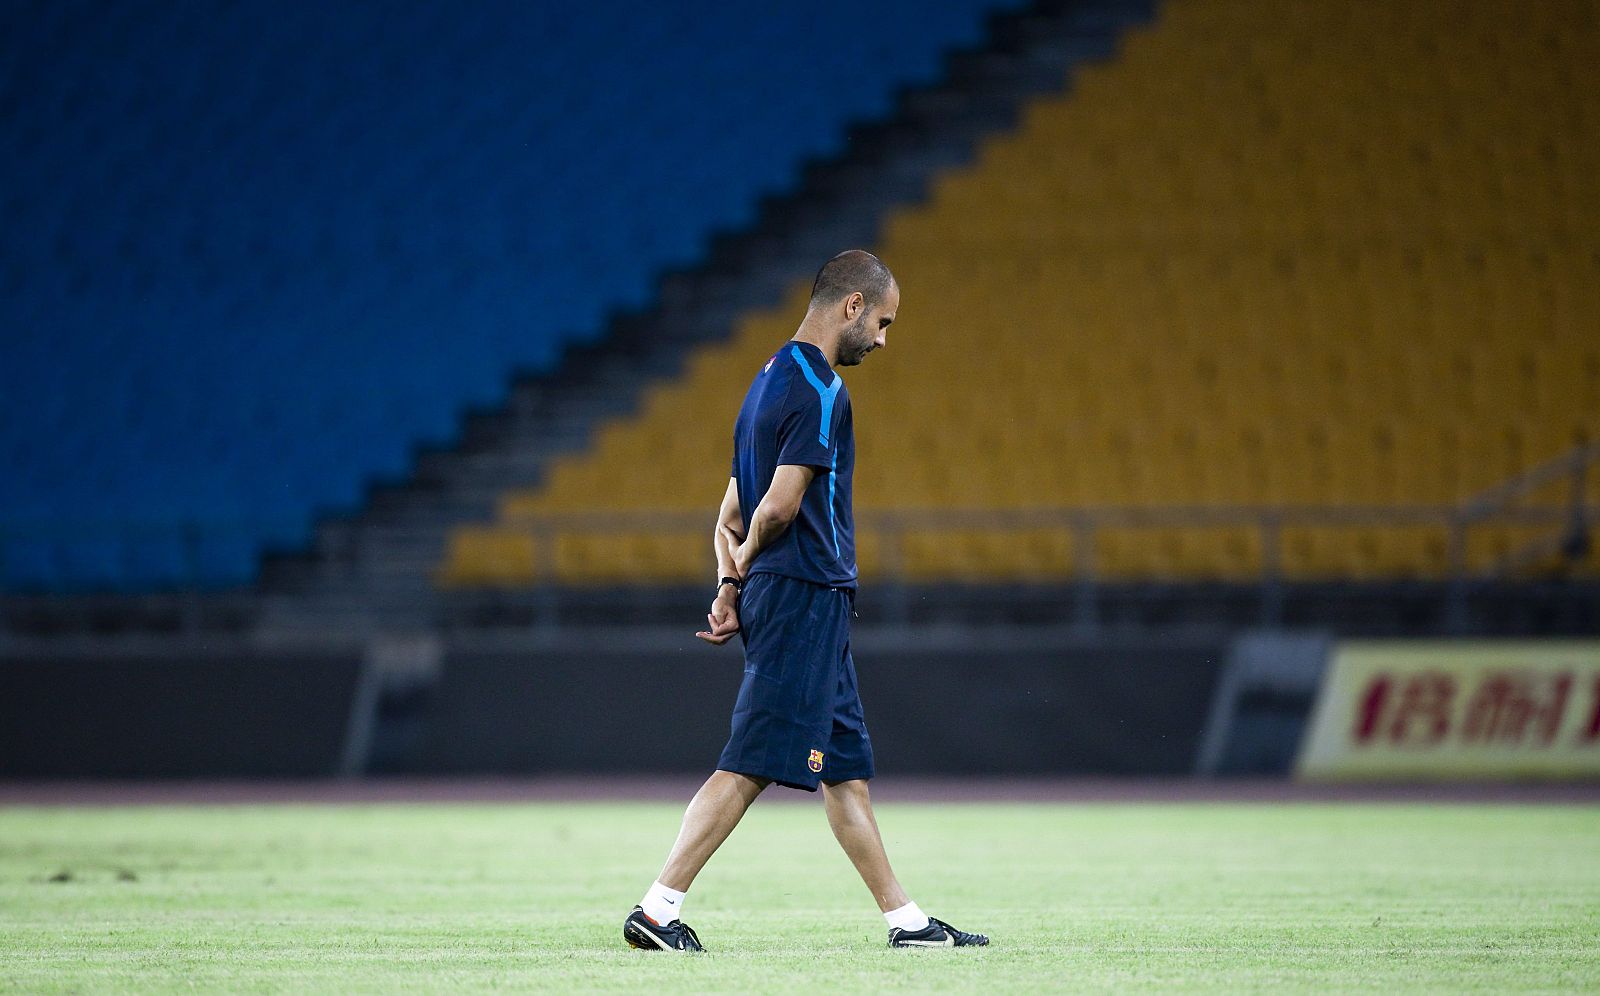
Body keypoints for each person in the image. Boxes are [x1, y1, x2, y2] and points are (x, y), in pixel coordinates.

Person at [622, 250, 989, 952]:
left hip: (790, 597)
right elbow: (779, 508)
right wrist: (754, 568)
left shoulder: (763, 382)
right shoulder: (820, 388)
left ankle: (906, 924)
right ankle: (658, 911)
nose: (883, 338)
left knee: (845, 773)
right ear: (852, 305)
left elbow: (729, 513)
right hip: (803, 596)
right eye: (882, 322)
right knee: (750, 761)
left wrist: (731, 584)